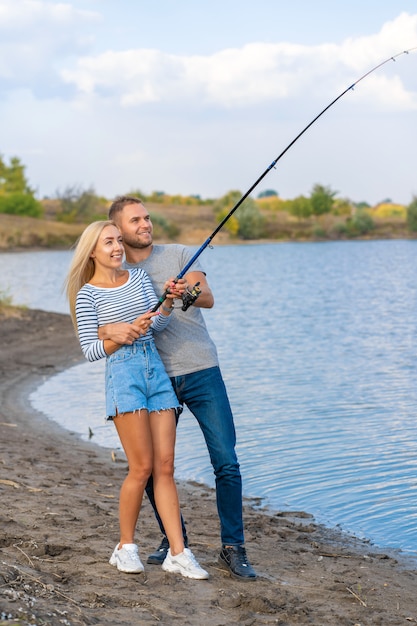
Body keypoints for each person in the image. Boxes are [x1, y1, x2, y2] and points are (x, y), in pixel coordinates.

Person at [100, 197, 257, 581]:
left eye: (147, 217)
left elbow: (207, 297)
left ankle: (232, 548)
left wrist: (182, 291)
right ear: (118, 230)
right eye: (135, 220)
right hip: (155, 379)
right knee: (154, 467)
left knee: (226, 460)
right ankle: (176, 540)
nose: (145, 224)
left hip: (202, 368)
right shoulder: (119, 270)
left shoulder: (179, 254)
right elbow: (101, 319)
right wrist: (107, 331)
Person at [65, 220, 209, 580]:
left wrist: (167, 304)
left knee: (165, 466)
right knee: (141, 467)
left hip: (155, 372)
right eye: (108, 242)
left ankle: (179, 552)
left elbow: (158, 326)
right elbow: (90, 350)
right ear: (93, 252)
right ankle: (125, 546)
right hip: (124, 376)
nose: (116, 248)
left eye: (117, 240)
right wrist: (120, 337)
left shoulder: (140, 280)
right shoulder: (88, 295)